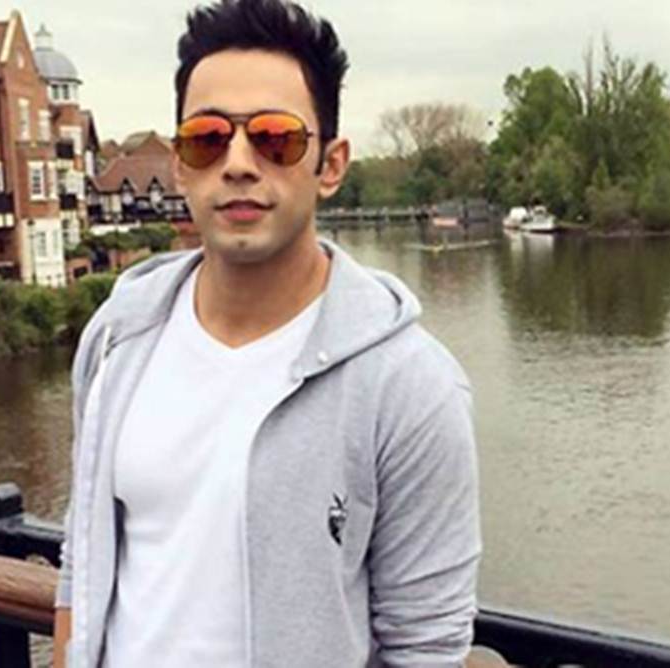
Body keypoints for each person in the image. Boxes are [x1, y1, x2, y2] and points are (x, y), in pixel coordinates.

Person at [53, 0, 481, 665]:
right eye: (207, 138)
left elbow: (426, 643)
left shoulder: (409, 386)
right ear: (180, 165)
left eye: (276, 138)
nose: (239, 163)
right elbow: (83, 560)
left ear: (330, 165)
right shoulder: (117, 336)